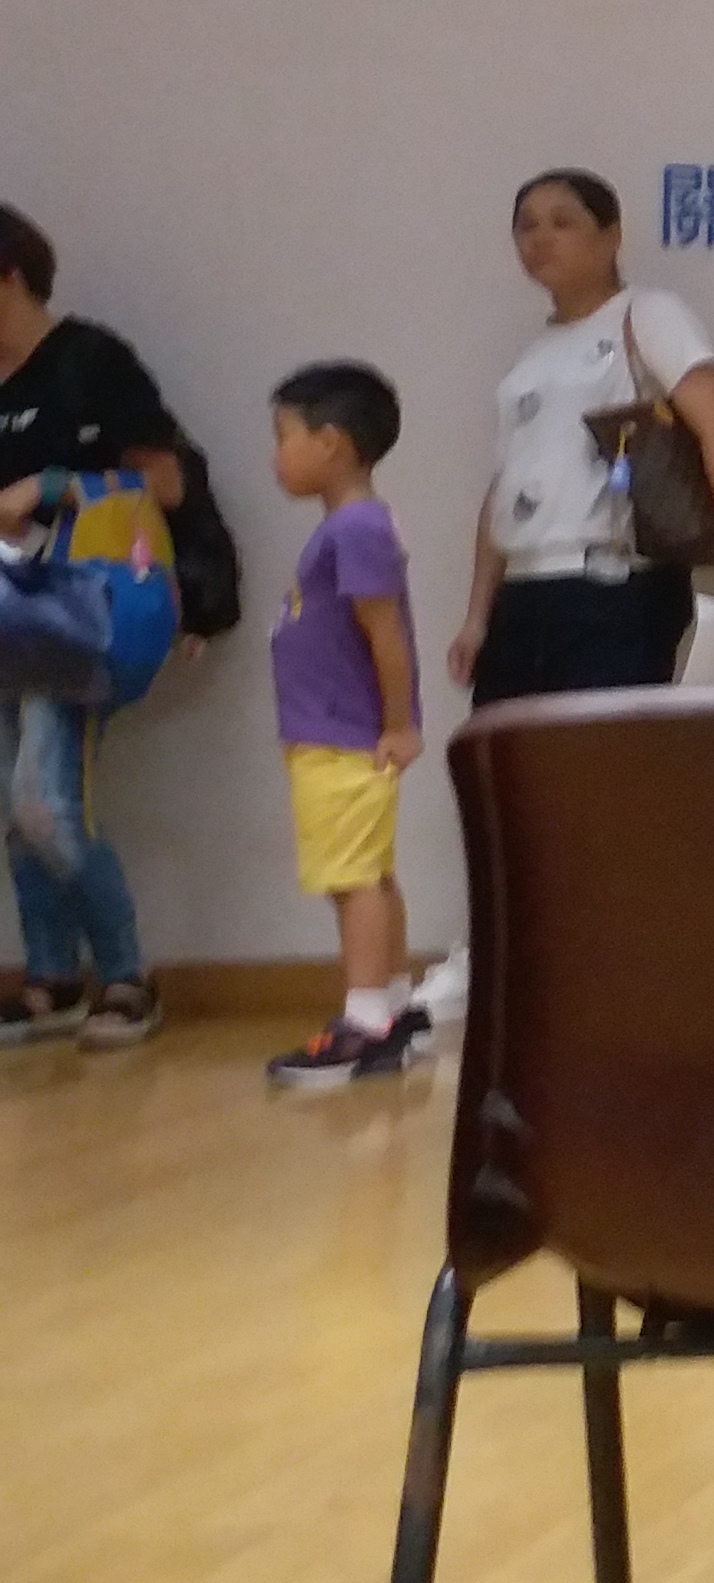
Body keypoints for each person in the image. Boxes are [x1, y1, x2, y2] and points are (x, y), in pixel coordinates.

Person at [451, 170, 714, 706]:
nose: (540, 239)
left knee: (600, 750)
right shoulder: (531, 357)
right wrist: (477, 617)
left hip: (617, 584)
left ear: (611, 236)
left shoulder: (648, 315)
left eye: (562, 223)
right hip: (523, 592)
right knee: (509, 751)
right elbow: (504, 486)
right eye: (526, 226)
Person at [0, 203, 188, 1053]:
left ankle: (125, 974)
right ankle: (51, 977)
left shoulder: (91, 361)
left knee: (44, 803)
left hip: (75, 612)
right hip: (10, 613)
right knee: (18, 809)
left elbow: (166, 486)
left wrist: (49, 488)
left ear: (10, 277)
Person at [259, 362, 434, 1090]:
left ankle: (364, 1023)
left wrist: (398, 724)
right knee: (370, 871)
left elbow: (384, 632)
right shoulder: (349, 527)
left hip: (344, 736)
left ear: (330, 442)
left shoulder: (356, 528)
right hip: (334, 732)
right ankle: (393, 1005)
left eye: (284, 436)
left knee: (352, 877)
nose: (276, 455)